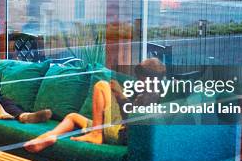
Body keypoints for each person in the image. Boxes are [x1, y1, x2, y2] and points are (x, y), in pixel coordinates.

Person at [24, 58, 166, 152]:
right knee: (72, 117)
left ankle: (96, 134)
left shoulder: (151, 95)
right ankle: (48, 137)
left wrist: (119, 95)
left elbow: (131, 120)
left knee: (101, 85)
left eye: (142, 78)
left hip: (120, 135)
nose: (139, 80)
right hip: (115, 130)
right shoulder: (149, 91)